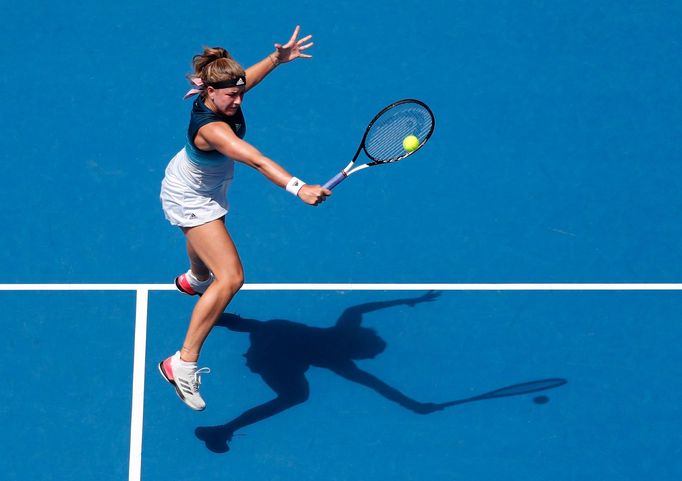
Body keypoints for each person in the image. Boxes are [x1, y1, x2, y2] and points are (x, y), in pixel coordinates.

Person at [158, 26, 331, 411]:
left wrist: (276, 59)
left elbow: (245, 79)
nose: (239, 98)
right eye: (232, 94)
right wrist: (298, 187)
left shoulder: (223, 92)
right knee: (232, 276)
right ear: (209, 92)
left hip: (201, 184)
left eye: (240, 92)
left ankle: (194, 279)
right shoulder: (214, 128)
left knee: (208, 258)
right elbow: (256, 159)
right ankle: (181, 362)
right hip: (189, 197)